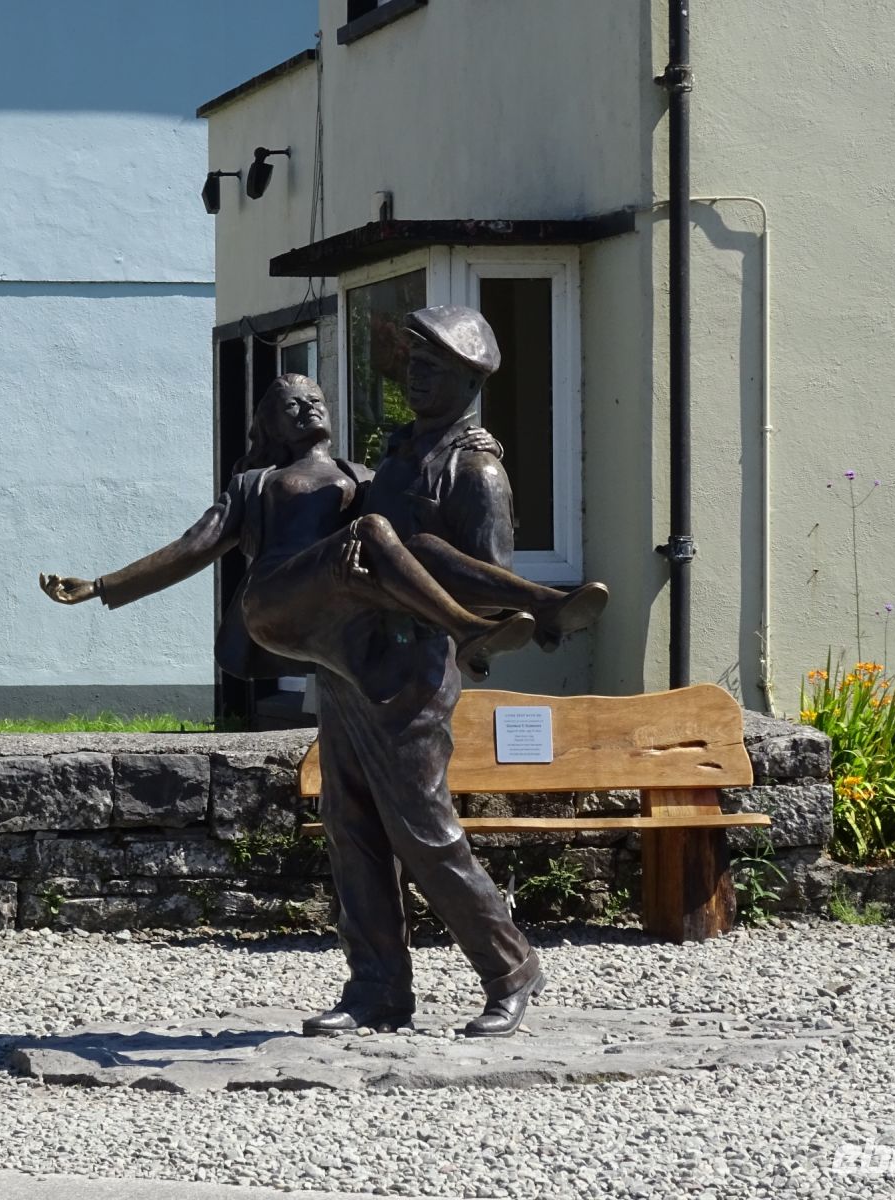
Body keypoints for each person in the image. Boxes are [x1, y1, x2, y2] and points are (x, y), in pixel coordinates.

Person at [303, 305, 601, 1039]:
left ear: (471, 380)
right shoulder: (399, 457)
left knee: (424, 834)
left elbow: (488, 585)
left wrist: (408, 567)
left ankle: (510, 968)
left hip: (415, 667)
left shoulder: (476, 472)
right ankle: (376, 987)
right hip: (353, 661)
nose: (416, 376)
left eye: (433, 367)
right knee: (350, 825)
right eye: (413, 362)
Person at [39, 373, 601, 698]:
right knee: (375, 528)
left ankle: (545, 604)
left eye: (315, 399)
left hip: (341, 599)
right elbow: (193, 546)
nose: (308, 406)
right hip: (275, 601)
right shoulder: (257, 482)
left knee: (421, 546)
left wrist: (475, 444)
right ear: (272, 426)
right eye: (292, 405)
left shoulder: (365, 475)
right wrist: (104, 586)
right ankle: (469, 629)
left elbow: (425, 485)